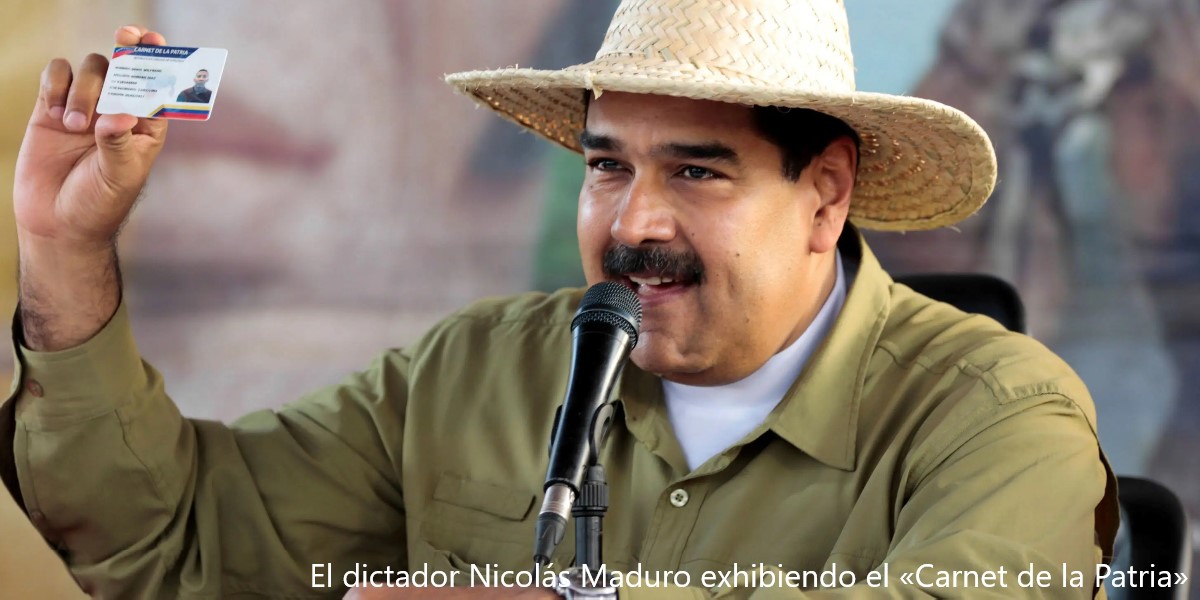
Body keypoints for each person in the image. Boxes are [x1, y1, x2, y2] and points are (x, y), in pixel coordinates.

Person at [2, 2, 1117, 599]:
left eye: (696, 172)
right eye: (606, 166)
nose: (634, 223)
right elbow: (179, 544)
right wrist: (66, 251)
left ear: (824, 197)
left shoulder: (1002, 412)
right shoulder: (473, 369)